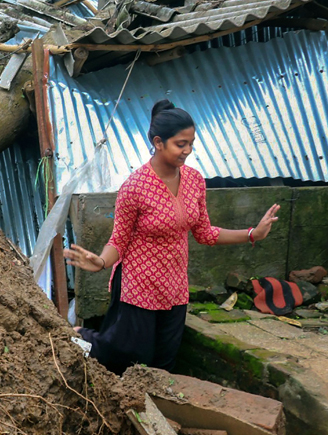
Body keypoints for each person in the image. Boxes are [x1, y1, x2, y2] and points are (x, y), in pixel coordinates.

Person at [63, 100, 280, 375]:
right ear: (158, 143)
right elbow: (118, 240)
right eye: (181, 144)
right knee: (128, 356)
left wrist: (252, 234)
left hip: (174, 286)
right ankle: (81, 336)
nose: (187, 150)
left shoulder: (195, 180)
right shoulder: (135, 187)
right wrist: (102, 262)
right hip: (138, 285)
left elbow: (205, 232)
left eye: (191, 143)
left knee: (165, 361)